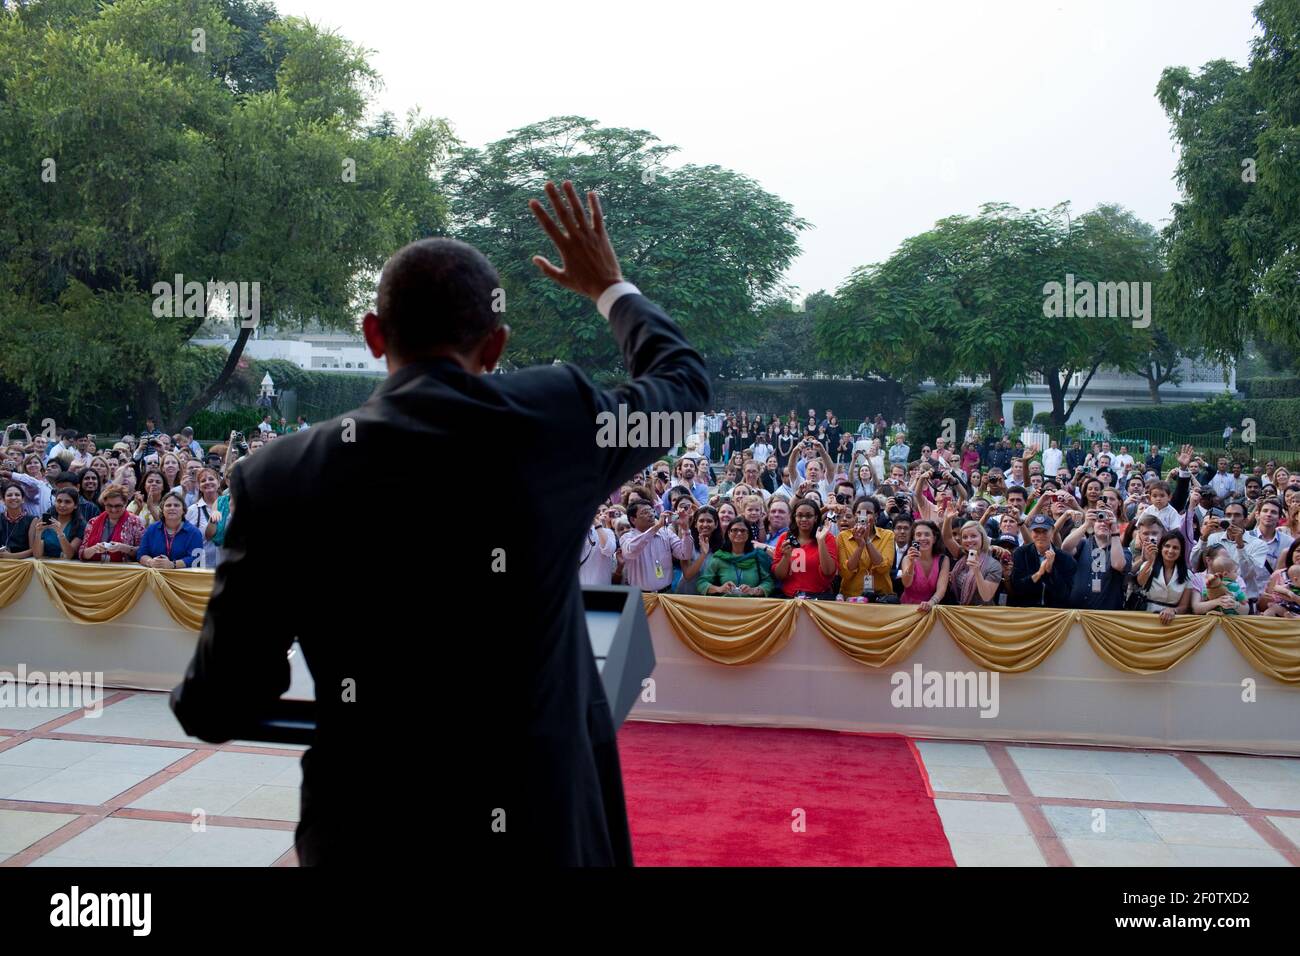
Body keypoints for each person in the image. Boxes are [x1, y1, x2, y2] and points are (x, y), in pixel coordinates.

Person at [170, 182, 710, 867]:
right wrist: (610, 288)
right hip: (538, 834)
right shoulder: (554, 418)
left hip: (366, 837)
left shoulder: (280, 475)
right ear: (495, 345)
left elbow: (216, 706)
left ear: (372, 335)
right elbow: (684, 385)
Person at [772, 498, 838, 599]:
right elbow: (779, 576)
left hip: (819, 599)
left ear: (816, 518)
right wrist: (786, 557)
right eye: (800, 515)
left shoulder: (827, 538)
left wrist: (820, 541)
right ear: (794, 517)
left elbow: (829, 572)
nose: (804, 519)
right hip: (790, 599)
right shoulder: (784, 538)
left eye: (808, 516)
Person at [1010, 514, 1077, 608]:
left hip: (1055, 612)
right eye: (1036, 531)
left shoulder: (1065, 558)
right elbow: (1017, 587)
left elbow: (1065, 594)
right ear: (1030, 532)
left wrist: (1050, 571)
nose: (1040, 535)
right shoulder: (1020, 553)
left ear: (1052, 531)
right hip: (1026, 610)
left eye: (1045, 531)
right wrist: (1039, 574)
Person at [697, 520, 774, 596]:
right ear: (728, 533)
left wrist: (754, 590)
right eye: (734, 530)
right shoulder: (720, 557)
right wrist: (720, 589)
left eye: (743, 530)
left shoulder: (757, 556)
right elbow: (702, 583)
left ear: (748, 534)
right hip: (725, 606)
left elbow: (769, 582)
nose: (739, 533)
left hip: (752, 606)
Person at [1134, 530, 1194, 622]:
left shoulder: (1188, 574)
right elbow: (1140, 582)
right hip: (1145, 617)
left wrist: (1173, 610)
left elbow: (1184, 606)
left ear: (1181, 552)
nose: (1170, 551)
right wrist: (1150, 561)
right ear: (1161, 548)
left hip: (1171, 620)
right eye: (1167, 546)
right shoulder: (1148, 564)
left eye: (1175, 548)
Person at [78, 484, 144, 563]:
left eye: (118, 506)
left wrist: (123, 548)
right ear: (104, 503)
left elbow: (142, 552)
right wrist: (94, 549)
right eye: (109, 506)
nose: (113, 510)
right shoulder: (93, 522)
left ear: (125, 503)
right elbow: (82, 553)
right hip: (97, 570)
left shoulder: (135, 522)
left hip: (123, 571)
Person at [899, 519, 949, 610]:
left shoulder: (944, 560)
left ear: (934, 539)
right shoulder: (907, 558)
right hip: (908, 608)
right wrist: (912, 563)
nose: (922, 538)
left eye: (927, 534)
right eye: (918, 535)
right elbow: (906, 583)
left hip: (932, 607)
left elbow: (941, 589)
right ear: (913, 539)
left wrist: (930, 603)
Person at [28, 488, 86, 559]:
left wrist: (60, 534)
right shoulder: (47, 521)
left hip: (67, 567)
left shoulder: (80, 524)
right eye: (59, 501)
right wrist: (38, 533)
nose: (62, 505)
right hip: (46, 566)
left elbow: (69, 555)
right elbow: (37, 555)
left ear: (75, 505)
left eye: (67, 502)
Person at [0, 481, 34, 559]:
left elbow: (33, 550)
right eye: (9, 495)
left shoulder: (32, 520)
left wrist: (11, 556)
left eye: (17, 495)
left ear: (23, 499)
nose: (13, 497)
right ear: (3, 500)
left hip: (24, 562)